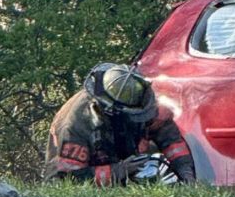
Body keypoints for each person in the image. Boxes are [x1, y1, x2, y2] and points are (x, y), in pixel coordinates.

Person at [43, 63, 196, 186]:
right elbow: (65, 180)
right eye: (133, 116)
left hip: (121, 159)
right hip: (90, 172)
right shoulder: (75, 127)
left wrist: (185, 171)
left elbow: (168, 136)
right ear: (109, 111)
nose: (140, 119)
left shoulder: (140, 101)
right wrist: (118, 171)